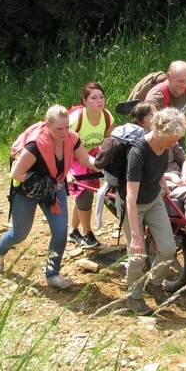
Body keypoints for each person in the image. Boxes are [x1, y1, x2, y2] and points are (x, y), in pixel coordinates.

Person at [0, 105, 99, 289]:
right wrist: (44, 183)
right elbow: (16, 173)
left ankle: (52, 274)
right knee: (20, 234)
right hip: (27, 192)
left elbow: (86, 160)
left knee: (60, 232)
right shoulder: (35, 145)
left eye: (67, 127)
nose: (64, 132)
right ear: (47, 125)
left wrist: (106, 164)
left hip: (54, 189)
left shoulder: (71, 138)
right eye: (59, 129)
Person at [118, 107, 186, 315]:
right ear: (157, 131)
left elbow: (158, 169)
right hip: (134, 205)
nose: (174, 144)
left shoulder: (164, 145)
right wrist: (136, 236)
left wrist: (164, 184)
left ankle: (153, 282)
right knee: (137, 255)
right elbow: (130, 197)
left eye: (177, 139)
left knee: (168, 249)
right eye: (172, 140)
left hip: (154, 199)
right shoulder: (137, 152)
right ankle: (134, 298)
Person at [67, 82, 115, 248]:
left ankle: (73, 231)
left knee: (84, 192)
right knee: (85, 192)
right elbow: (61, 146)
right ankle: (87, 233)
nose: (99, 101)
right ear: (84, 101)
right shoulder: (75, 120)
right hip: (71, 156)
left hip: (92, 154)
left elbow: (110, 143)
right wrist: (66, 172)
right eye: (93, 98)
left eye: (101, 97)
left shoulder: (107, 116)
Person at [144, 60, 186, 152]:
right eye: (180, 81)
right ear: (169, 76)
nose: (184, 85)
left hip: (178, 143)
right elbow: (147, 127)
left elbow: (185, 110)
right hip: (161, 146)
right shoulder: (157, 96)